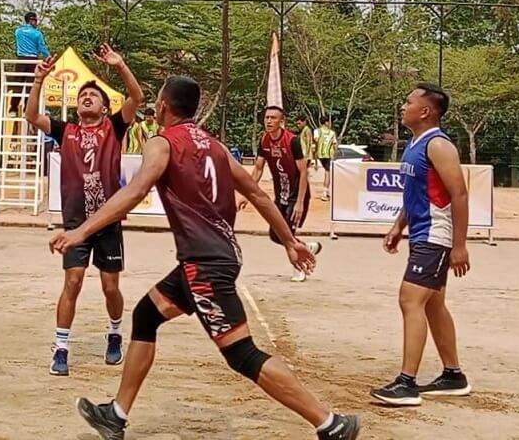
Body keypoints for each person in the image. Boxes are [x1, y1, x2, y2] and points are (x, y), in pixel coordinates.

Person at [52, 76, 359, 440]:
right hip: (216, 255)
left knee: (241, 353)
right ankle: (116, 414)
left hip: (204, 264)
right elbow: (260, 197)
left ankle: (329, 422)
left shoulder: (162, 144)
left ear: (163, 106)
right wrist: (290, 242)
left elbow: (134, 192)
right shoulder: (214, 146)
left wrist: (80, 231)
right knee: (146, 315)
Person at [26, 44, 143, 376]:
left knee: (110, 287)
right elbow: (32, 116)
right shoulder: (67, 131)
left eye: (93, 96)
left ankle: (115, 333)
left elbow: (136, 98)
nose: (86, 98)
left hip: (106, 221)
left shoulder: (114, 128)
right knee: (73, 282)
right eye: (82, 96)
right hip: (76, 222)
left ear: (105, 108)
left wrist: (120, 66)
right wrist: (39, 81)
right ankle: (61, 347)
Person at [371, 83, 472, 407]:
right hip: (421, 233)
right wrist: (398, 225)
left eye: (408, 102)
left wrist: (459, 246)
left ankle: (406, 383)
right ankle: (453, 375)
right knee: (432, 304)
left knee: (409, 300)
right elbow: (416, 193)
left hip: (435, 235)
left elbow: (460, 194)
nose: (404, 106)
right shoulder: (415, 143)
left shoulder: (439, 145)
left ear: (425, 111)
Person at [246, 106, 321, 282]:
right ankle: (304, 247)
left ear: (282, 121)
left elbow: (303, 172)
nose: (269, 121)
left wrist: (300, 202)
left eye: (273, 118)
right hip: (281, 195)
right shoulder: (264, 140)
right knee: (274, 234)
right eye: (266, 118)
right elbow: (258, 168)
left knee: (287, 230)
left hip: (296, 195)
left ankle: (300, 268)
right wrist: (244, 194)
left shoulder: (292, 141)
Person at [11, 11, 51, 114]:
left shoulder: (18, 31)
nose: (37, 22)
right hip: (33, 60)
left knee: (17, 84)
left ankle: (13, 108)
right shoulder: (37, 33)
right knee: (30, 85)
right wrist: (49, 56)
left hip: (20, 59)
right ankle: (26, 108)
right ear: (31, 20)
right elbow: (42, 47)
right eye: (35, 20)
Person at [315, 118, 338, 200]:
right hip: (328, 155)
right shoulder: (332, 133)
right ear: (326, 122)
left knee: (327, 172)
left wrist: (316, 154)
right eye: (328, 122)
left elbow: (316, 142)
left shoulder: (317, 131)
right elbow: (335, 144)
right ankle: (325, 193)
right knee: (327, 172)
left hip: (321, 155)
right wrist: (336, 154)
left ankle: (326, 192)